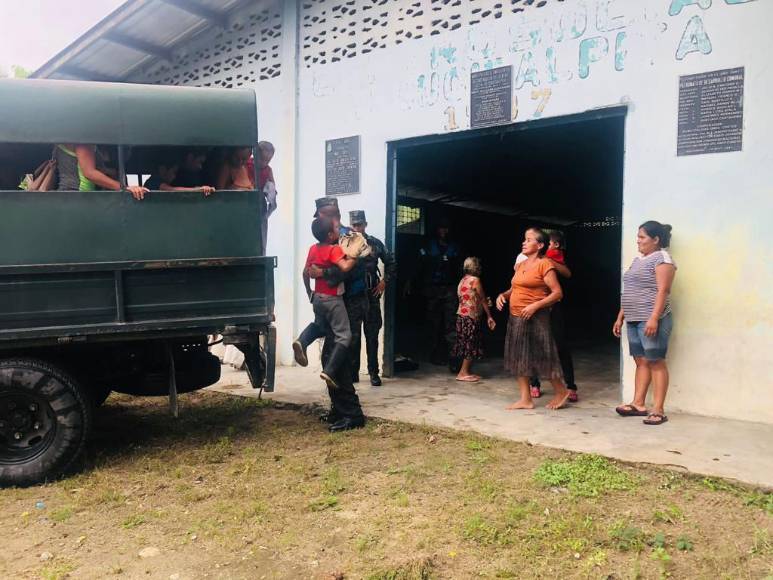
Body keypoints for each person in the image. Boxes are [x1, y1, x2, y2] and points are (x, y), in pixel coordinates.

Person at [495, 227, 569, 410]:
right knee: (518, 356)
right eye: (524, 239)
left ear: (540, 245)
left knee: (543, 355)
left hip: (536, 317)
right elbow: (514, 289)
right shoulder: (521, 265)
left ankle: (561, 391)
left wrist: (535, 305)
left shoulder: (545, 264)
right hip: (516, 316)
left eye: (529, 240)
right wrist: (502, 296)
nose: (524, 242)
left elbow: (557, 293)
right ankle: (525, 399)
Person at [613, 221, 676, 426]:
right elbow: (630, 290)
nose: (637, 241)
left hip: (651, 319)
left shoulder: (663, 258)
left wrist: (654, 318)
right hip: (633, 318)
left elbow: (663, 290)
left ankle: (658, 410)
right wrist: (621, 316)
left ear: (656, 239)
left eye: (642, 237)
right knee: (641, 361)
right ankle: (638, 404)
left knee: (656, 361)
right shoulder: (638, 260)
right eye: (638, 236)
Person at [293, 216, 358, 389]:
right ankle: (329, 371)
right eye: (337, 229)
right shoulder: (333, 249)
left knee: (319, 324)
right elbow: (344, 267)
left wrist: (309, 292)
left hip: (318, 298)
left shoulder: (313, 249)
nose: (340, 231)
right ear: (330, 235)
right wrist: (354, 256)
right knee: (344, 335)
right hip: (333, 299)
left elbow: (305, 273)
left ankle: (302, 341)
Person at [527, 230, 578, 402]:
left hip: (553, 308)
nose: (525, 243)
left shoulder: (553, 259)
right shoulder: (528, 259)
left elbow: (567, 273)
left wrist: (547, 261)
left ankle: (570, 386)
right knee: (535, 347)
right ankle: (534, 383)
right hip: (535, 308)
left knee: (561, 346)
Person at [349, 210, 397, 386]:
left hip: (371, 296)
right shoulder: (344, 243)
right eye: (354, 225)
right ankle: (353, 372)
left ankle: (373, 373)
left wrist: (385, 281)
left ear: (365, 224)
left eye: (360, 224)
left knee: (372, 337)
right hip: (353, 297)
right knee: (353, 338)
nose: (357, 228)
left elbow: (391, 262)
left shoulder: (374, 243)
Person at [413, 216, 463, 370]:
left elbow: (460, 269)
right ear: (437, 229)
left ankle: (453, 360)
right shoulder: (428, 246)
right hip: (432, 290)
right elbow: (419, 266)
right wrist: (411, 282)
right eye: (441, 228)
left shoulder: (454, 247)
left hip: (449, 290)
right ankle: (434, 355)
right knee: (433, 324)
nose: (444, 231)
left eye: (446, 228)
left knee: (451, 325)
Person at [451, 257, 496, 382]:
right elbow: (482, 299)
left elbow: (470, 298)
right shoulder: (475, 280)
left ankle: (465, 371)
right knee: (470, 344)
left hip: (461, 316)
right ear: (476, 267)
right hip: (471, 316)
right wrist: (489, 316)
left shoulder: (463, 280)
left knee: (465, 343)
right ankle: (462, 373)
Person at [55, 144, 147, 200]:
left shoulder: (66, 140)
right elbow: (89, 173)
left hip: (67, 194)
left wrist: (111, 172)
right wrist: (124, 188)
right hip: (79, 195)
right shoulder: (83, 141)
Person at [143, 151, 215, 195]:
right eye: (174, 172)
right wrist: (197, 190)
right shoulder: (154, 181)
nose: (174, 176)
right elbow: (170, 190)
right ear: (163, 169)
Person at [256, 141, 277, 252]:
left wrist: (272, 191)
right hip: (250, 200)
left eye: (267, 161)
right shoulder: (248, 164)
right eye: (262, 159)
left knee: (262, 235)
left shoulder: (268, 170)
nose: (264, 163)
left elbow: (272, 184)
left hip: (261, 203)